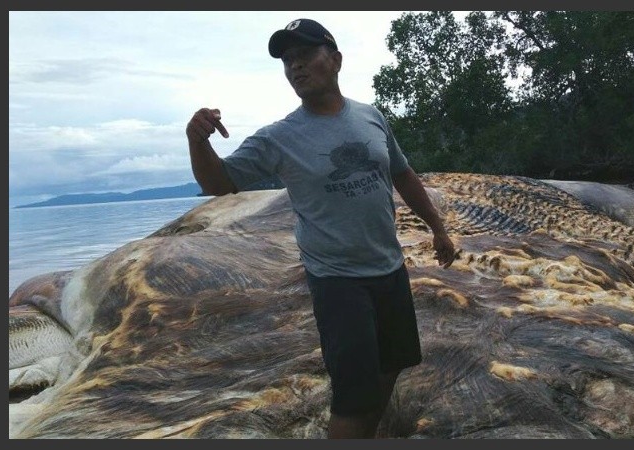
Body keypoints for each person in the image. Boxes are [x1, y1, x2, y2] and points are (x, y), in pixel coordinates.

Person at [184, 18, 456, 439]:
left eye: (305, 55)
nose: (296, 66)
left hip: (389, 267)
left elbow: (403, 175)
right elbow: (217, 184)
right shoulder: (280, 137)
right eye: (288, 60)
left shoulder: (371, 118)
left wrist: (438, 228)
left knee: (394, 363)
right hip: (337, 282)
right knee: (352, 396)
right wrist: (197, 142)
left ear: (336, 60)